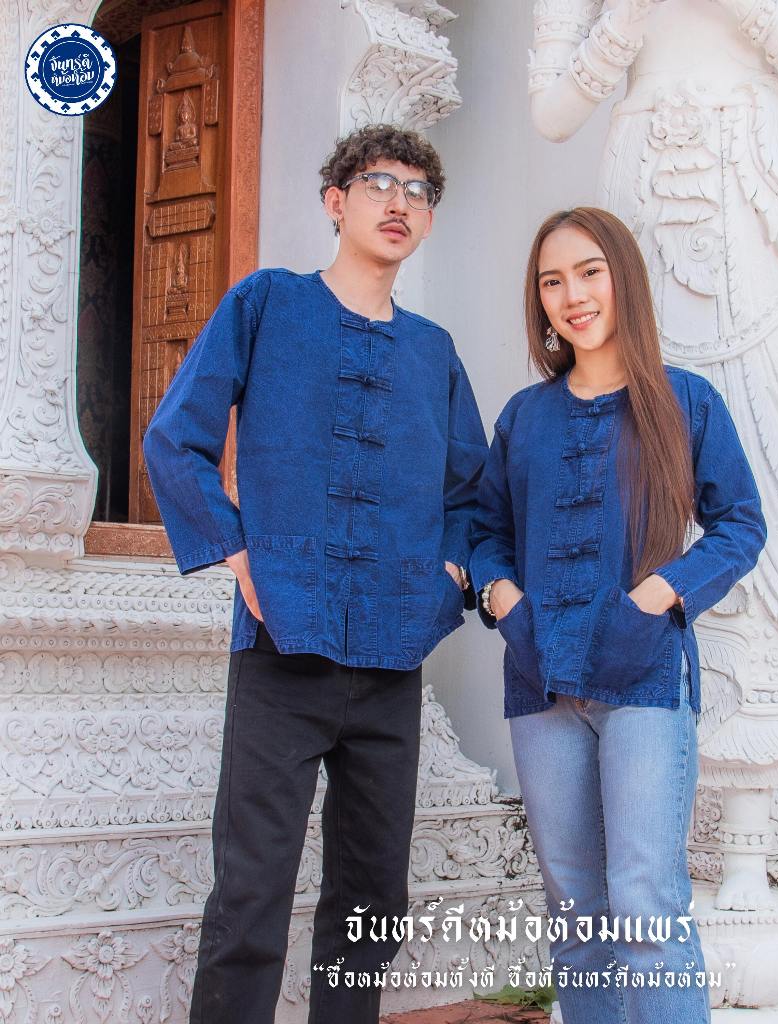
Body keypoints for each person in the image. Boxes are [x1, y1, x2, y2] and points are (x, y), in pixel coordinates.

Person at [143, 124, 488, 1024]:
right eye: (379, 183)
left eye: (418, 191)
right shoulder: (266, 304)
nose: (400, 202)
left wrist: (448, 573)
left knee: (372, 901)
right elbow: (174, 438)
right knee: (250, 894)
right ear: (336, 202)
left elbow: (473, 491)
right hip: (279, 645)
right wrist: (235, 548)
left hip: (392, 658)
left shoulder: (435, 352)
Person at [469, 207, 767, 1024]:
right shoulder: (523, 417)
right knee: (575, 914)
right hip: (540, 686)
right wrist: (503, 598)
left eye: (589, 272)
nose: (572, 295)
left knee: (644, 905)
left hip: (642, 680)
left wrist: (661, 591)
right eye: (552, 281)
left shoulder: (684, 400)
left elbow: (741, 524)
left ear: (623, 278)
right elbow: (485, 533)